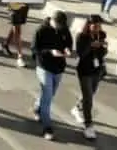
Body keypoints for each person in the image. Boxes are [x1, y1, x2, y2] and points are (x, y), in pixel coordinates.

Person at [31, 9, 74, 141]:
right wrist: (50, 52)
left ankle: (37, 108)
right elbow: (35, 49)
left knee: (50, 93)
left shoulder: (64, 29)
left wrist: (67, 49)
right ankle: (47, 127)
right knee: (48, 97)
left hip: (59, 67)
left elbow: (69, 42)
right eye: (59, 25)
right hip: (44, 66)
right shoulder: (41, 30)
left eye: (63, 25)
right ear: (52, 21)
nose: (61, 27)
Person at [72, 14, 107, 140]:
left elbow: (103, 52)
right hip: (84, 70)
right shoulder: (81, 36)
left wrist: (102, 47)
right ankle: (88, 125)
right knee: (88, 98)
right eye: (95, 25)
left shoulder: (101, 35)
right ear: (88, 25)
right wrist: (92, 45)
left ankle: (77, 108)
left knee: (91, 93)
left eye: (99, 25)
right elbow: (81, 53)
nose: (97, 28)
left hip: (96, 69)